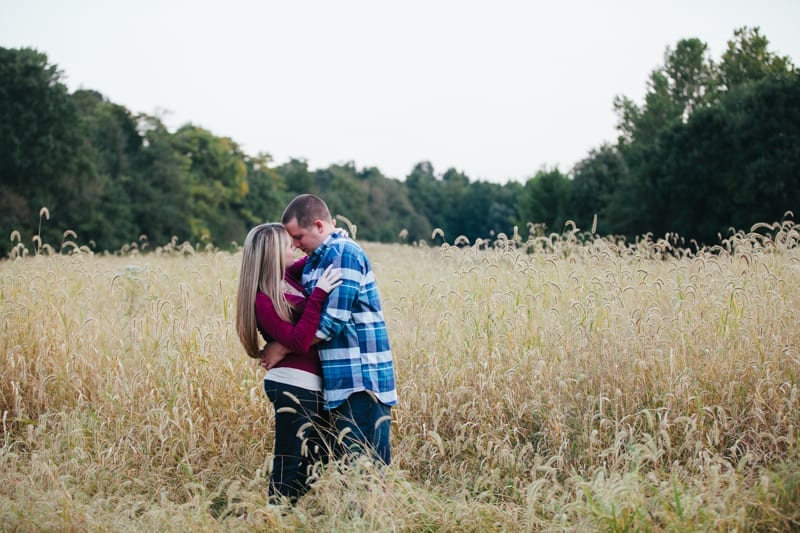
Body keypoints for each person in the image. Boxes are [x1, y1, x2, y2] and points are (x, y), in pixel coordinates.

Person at [262, 194, 397, 465]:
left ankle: (378, 509)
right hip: (338, 382)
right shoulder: (316, 259)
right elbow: (278, 273)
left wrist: (282, 346)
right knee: (350, 470)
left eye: (298, 238)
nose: (297, 246)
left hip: (361, 379)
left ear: (319, 226)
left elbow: (332, 321)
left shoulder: (345, 253)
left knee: (366, 470)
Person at [235, 222, 343, 504]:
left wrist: (333, 236)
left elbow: (314, 255)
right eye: (287, 244)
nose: (294, 245)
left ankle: (281, 512)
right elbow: (299, 340)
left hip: (310, 385)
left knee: (318, 459)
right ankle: (273, 515)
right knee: (290, 457)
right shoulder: (263, 300)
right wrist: (318, 294)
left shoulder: (288, 278)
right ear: (272, 254)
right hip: (291, 385)